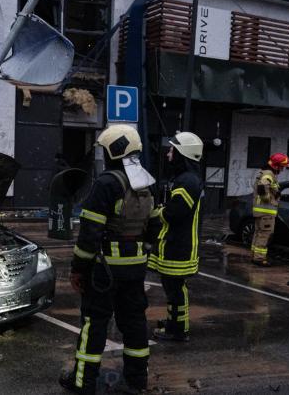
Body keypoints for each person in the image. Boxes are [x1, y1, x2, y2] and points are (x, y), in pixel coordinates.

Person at [60, 124, 155, 394]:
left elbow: (90, 233)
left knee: (94, 324)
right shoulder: (147, 182)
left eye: (105, 149)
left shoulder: (106, 183)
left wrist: (78, 269)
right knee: (135, 323)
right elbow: (156, 226)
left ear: (116, 150)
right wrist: (141, 251)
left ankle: (83, 382)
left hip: (105, 271)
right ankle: (137, 381)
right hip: (135, 269)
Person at [148, 132, 204, 342]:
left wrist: (158, 213)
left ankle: (178, 330)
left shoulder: (187, 181)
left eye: (173, 150)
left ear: (183, 154)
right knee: (172, 288)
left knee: (175, 289)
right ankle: (174, 322)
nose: (169, 154)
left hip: (179, 246)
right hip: (175, 244)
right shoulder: (184, 179)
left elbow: (175, 212)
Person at [251, 153, 289, 266]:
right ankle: (259, 258)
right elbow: (262, 186)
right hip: (266, 212)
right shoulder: (269, 174)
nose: (282, 169)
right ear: (276, 165)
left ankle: (255, 256)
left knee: (258, 234)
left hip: (261, 212)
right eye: (282, 167)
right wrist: (268, 199)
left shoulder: (265, 172)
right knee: (264, 234)